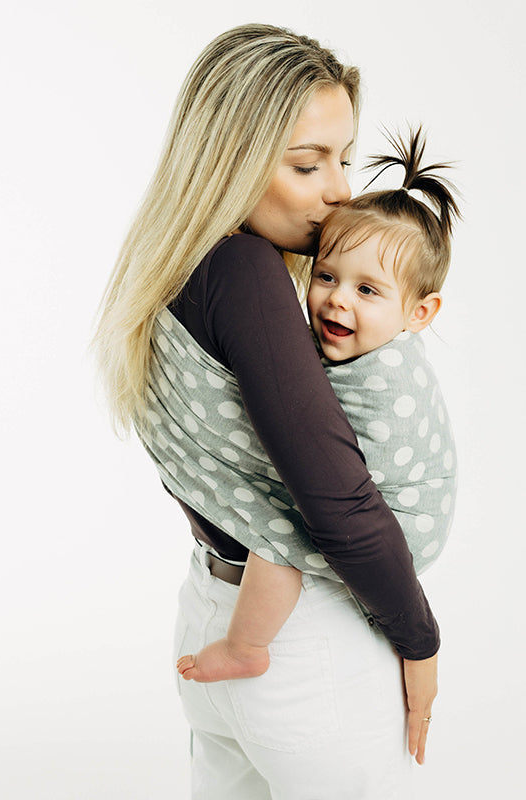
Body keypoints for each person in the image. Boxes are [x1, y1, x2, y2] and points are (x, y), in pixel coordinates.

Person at [94, 24, 441, 799]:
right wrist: (419, 643)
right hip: (303, 645)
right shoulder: (245, 271)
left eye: (343, 158)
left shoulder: (175, 264)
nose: (340, 190)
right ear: (231, 158)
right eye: (306, 164)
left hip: (215, 614)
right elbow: (337, 499)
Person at [176, 126, 459, 692]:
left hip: (392, 533)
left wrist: (421, 642)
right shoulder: (342, 338)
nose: (337, 299)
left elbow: (339, 502)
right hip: (352, 551)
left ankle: (246, 646)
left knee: (281, 534)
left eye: (368, 291)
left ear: (420, 313)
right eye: (326, 277)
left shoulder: (386, 375)